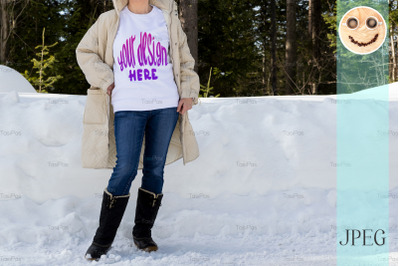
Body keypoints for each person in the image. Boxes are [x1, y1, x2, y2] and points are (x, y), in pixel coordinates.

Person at [76, 0, 200, 261]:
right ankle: (102, 240)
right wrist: (106, 79)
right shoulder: (110, 19)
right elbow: (85, 51)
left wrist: (188, 92)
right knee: (125, 168)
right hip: (128, 105)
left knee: (156, 168)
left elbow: (185, 59)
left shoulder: (168, 19)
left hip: (166, 105)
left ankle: (143, 233)